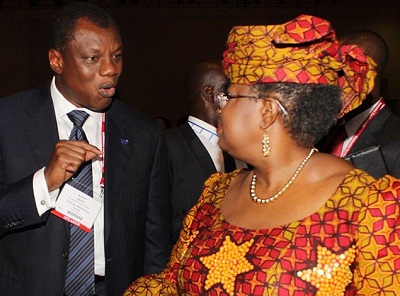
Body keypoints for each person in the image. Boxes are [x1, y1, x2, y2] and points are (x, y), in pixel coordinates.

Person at [124, 15, 400, 295]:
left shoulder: (370, 206)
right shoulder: (216, 192)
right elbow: (173, 280)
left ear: (267, 112)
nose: (221, 109)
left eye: (230, 97)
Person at [0, 2, 172, 296]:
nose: (110, 69)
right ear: (56, 60)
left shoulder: (144, 134)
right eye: (92, 58)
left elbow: (154, 240)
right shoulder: (7, 120)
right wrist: (44, 183)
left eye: (117, 56)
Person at [165, 61, 246, 243]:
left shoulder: (242, 146)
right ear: (210, 94)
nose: (236, 100)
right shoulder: (169, 144)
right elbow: (160, 219)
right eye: (229, 93)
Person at [319, 30, 400, 178]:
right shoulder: (324, 134)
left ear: (369, 74)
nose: (329, 79)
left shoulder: (395, 142)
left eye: (340, 71)